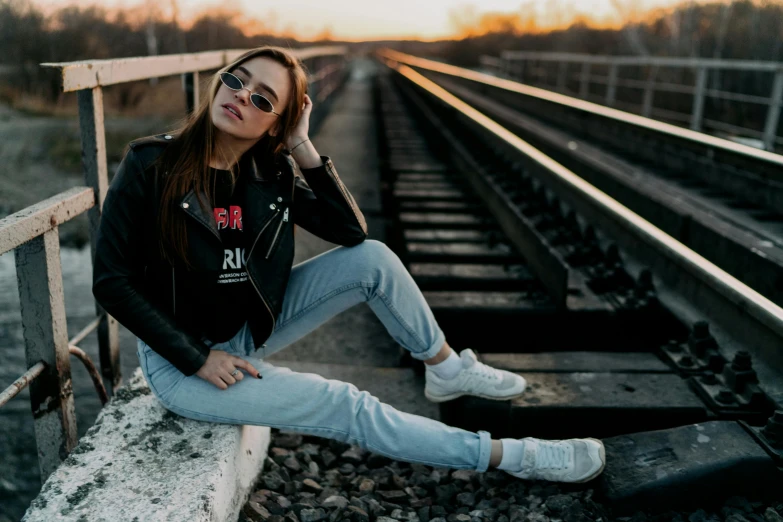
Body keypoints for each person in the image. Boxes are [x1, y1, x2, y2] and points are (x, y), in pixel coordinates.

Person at [92, 46, 605, 483]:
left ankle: (445, 368)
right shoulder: (149, 164)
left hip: (249, 325)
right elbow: (112, 282)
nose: (241, 96)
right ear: (218, 83)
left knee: (373, 260)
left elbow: (351, 233)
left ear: (277, 122)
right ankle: (514, 456)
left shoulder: (267, 171)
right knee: (345, 404)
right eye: (236, 79)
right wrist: (197, 357)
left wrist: (302, 146)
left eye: (264, 99)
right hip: (185, 364)